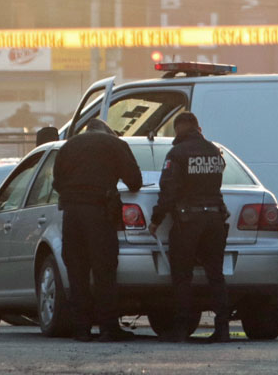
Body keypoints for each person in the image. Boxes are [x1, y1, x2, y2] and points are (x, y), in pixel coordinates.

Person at [53, 118, 143, 343]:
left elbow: (56, 182)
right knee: (104, 271)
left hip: (71, 215)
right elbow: (135, 181)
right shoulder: (115, 145)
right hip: (99, 213)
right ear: (107, 131)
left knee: (77, 271)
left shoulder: (68, 146)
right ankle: (108, 328)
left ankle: (81, 329)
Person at [148, 111, 229, 343]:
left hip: (188, 221)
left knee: (182, 276)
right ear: (197, 128)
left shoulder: (177, 153)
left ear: (178, 129)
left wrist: (156, 220)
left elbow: (169, 191)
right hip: (215, 219)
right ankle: (222, 329)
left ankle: (182, 329)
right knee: (216, 275)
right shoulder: (214, 150)